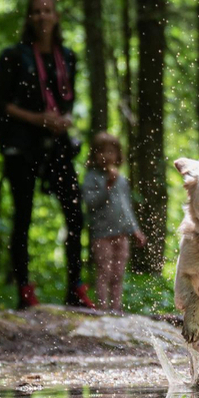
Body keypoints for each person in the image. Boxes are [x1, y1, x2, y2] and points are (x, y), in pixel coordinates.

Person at [0, 0, 94, 309]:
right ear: (29, 18)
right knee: (23, 216)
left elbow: (66, 99)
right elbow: (0, 105)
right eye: (36, 11)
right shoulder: (13, 56)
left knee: (75, 216)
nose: (42, 16)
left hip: (57, 146)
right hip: (22, 147)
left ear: (56, 16)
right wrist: (39, 119)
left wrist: (62, 121)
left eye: (47, 10)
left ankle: (75, 288)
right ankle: (24, 290)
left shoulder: (68, 57)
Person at [83, 133, 146, 313]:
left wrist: (135, 230)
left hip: (122, 233)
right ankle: (102, 309)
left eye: (111, 152)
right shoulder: (91, 177)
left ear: (118, 155)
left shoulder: (122, 180)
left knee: (118, 273)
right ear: (94, 155)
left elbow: (126, 208)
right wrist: (106, 187)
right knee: (104, 271)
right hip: (101, 234)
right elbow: (90, 202)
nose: (106, 156)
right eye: (101, 152)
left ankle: (116, 309)